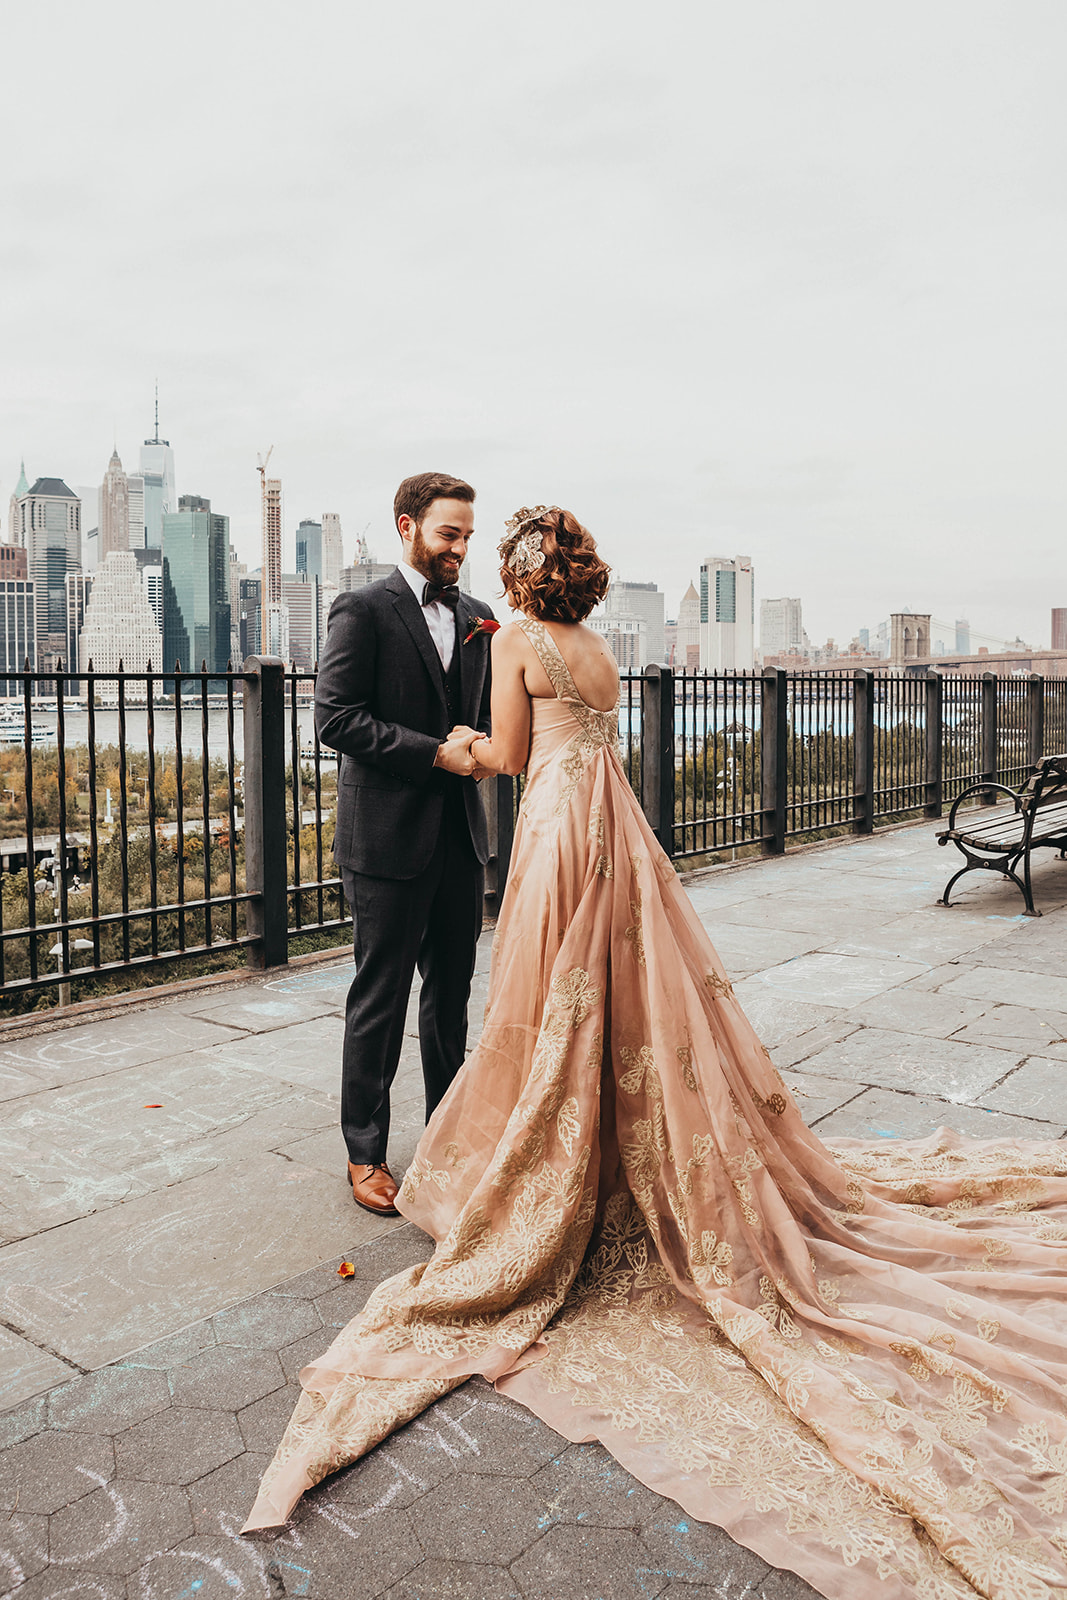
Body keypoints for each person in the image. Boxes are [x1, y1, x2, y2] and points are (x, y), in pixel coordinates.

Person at [248, 508, 1067, 1600]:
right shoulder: (597, 650)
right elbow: (588, 746)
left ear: (521, 575)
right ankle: (595, 1137)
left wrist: (447, 744)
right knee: (627, 996)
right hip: (614, 829)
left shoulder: (510, 645)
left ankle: (547, 1158)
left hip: (550, 830)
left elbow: (502, 756)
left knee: (548, 999)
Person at [313, 471, 494, 1217]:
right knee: (379, 1000)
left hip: (458, 837)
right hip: (385, 838)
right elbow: (334, 719)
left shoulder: (480, 615)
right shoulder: (362, 609)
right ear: (406, 526)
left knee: (449, 1002)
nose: (458, 548)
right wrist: (433, 752)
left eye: (466, 537)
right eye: (447, 533)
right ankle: (364, 1153)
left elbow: (479, 713)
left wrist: (476, 741)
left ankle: (447, 1145)